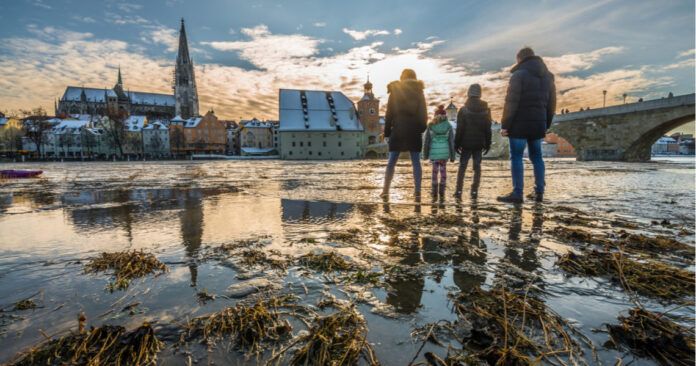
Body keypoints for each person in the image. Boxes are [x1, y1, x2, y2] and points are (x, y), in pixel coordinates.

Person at [498, 47, 556, 204]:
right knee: (537, 157)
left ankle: (517, 193)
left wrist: (505, 124)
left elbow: (511, 102)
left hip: (519, 124)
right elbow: (551, 104)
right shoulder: (548, 77)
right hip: (538, 124)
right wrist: (546, 124)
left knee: (516, 156)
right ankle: (539, 192)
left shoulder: (519, 75)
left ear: (520, 59)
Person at [381, 69, 428, 200]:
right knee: (416, 162)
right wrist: (421, 128)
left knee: (392, 162)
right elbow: (423, 113)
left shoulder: (395, 91)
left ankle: (385, 190)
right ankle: (417, 191)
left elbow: (389, 113)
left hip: (398, 129)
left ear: (402, 78)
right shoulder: (419, 91)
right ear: (414, 77)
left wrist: (387, 133)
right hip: (414, 130)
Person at [454, 83, 492, 200]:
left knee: (462, 166)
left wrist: (456, 144)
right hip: (479, 143)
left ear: (469, 93)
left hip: (466, 143)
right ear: (480, 94)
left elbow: (459, 129)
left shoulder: (463, 110)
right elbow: (488, 128)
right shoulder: (486, 110)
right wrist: (488, 144)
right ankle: (474, 191)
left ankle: (459, 190)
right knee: (477, 166)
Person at [422, 105, 455, 202]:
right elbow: (451, 142)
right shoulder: (448, 126)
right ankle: (442, 191)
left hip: (434, 153)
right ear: (445, 115)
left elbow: (426, 141)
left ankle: (434, 191)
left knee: (435, 172)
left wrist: (425, 155)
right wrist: (452, 156)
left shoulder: (431, 125)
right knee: (443, 171)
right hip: (444, 153)